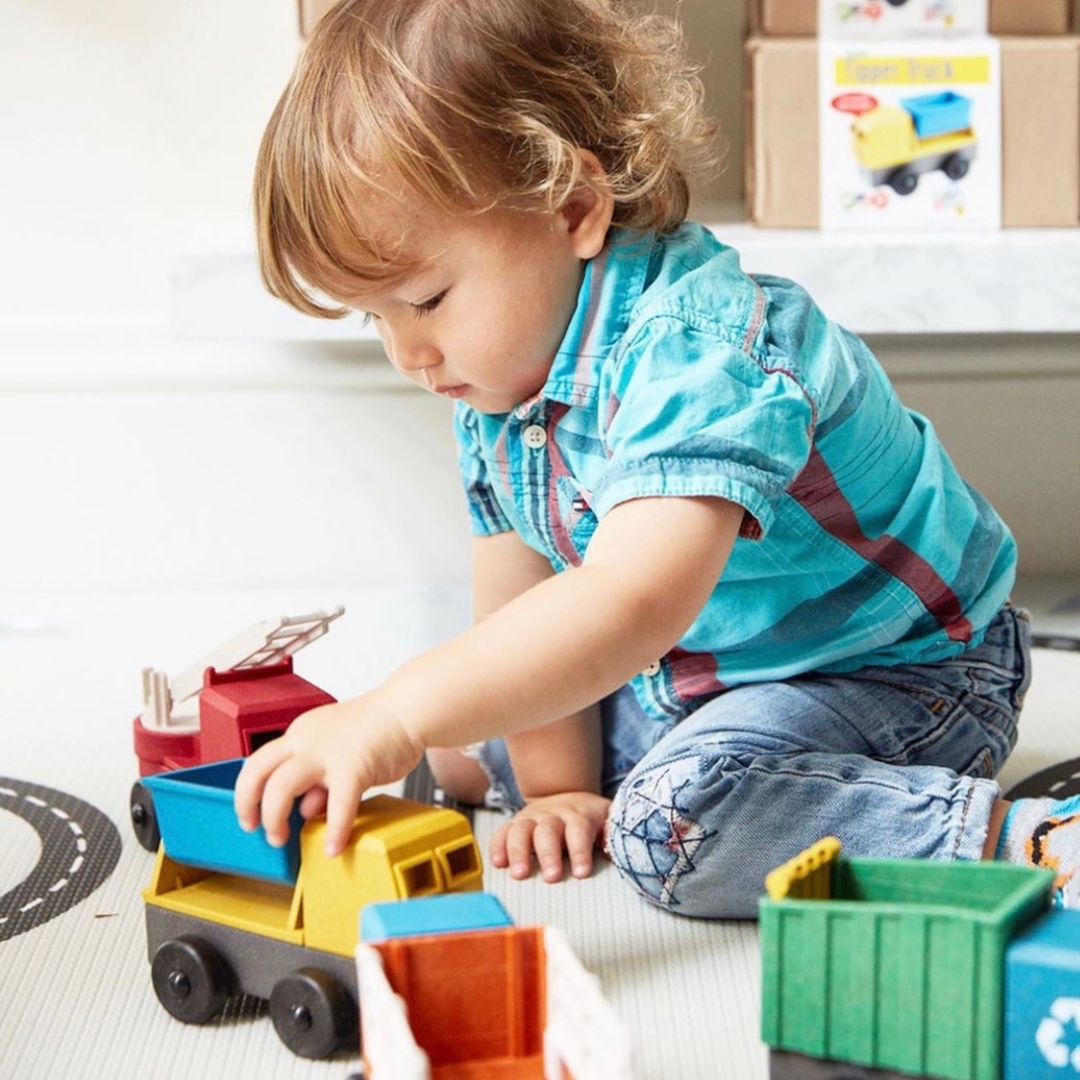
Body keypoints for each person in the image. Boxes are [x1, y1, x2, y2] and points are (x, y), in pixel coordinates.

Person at [233, 0, 1075, 918]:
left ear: (577, 209)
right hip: (702, 670)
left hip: (899, 675)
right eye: (376, 315)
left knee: (668, 828)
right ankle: (661, 770)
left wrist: (397, 710)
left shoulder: (702, 353)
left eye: (427, 299)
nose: (406, 355)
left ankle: (1021, 843)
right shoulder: (497, 382)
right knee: (465, 752)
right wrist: (555, 790)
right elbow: (523, 586)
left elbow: (627, 603)